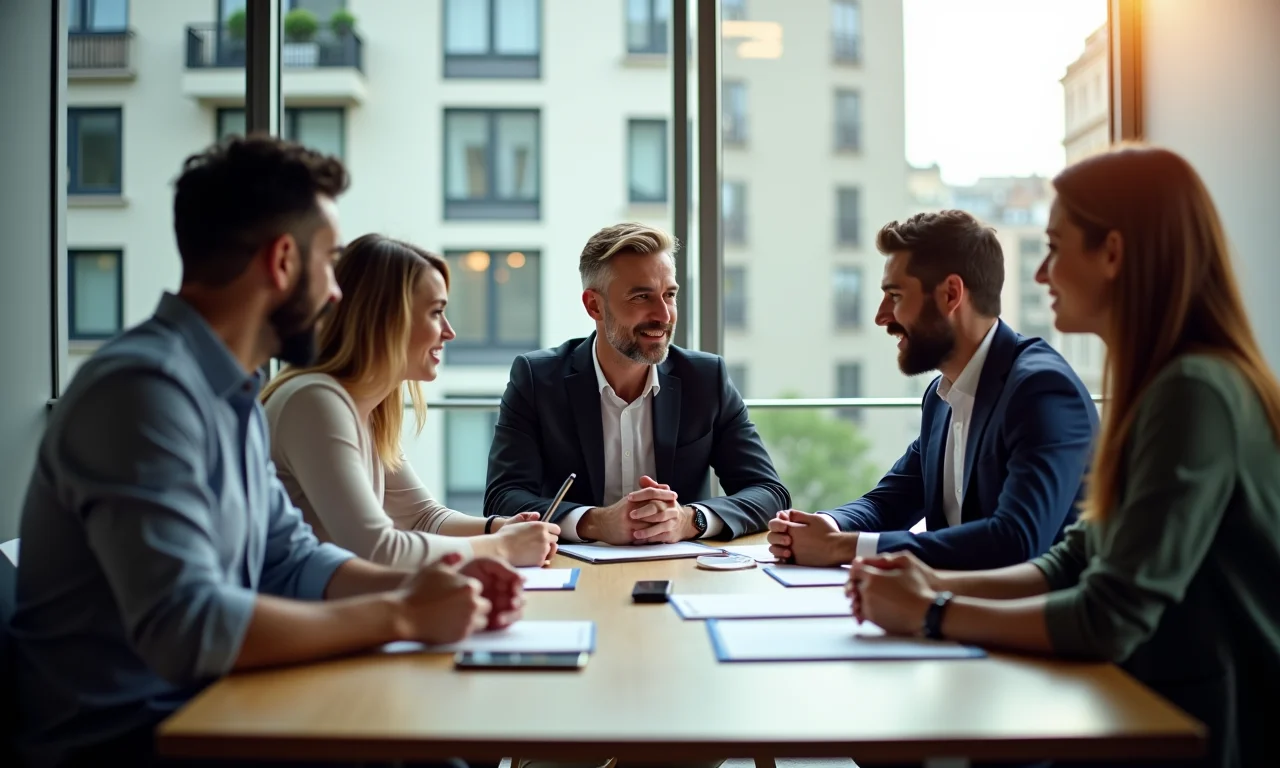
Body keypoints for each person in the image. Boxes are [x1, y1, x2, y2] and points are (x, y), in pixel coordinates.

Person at [10, 137, 520, 768]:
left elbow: (290, 559)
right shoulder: (142, 393)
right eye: (329, 263)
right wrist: (401, 614)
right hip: (134, 739)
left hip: (221, 707)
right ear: (282, 261)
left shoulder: (232, 394)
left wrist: (433, 583)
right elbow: (190, 626)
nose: (337, 294)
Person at [849, 146, 1280, 768]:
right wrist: (930, 582)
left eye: (1054, 247)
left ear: (1112, 253)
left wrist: (934, 611)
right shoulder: (1163, 385)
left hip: (1202, 729)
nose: (1041, 274)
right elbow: (1075, 557)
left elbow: (1108, 614)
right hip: (1145, 707)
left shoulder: (1193, 392)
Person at [767, 210, 1097, 570]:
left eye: (895, 296)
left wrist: (842, 547)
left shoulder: (1041, 390)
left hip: (1033, 606)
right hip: (951, 600)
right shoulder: (941, 397)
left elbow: (1016, 540)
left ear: (950, 294)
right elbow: (889, 502)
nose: (881, 316)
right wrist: (825, 526)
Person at [260, 234, 559, 569]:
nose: (449, 332)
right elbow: (379, 549)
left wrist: (498, 528)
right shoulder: (314, 403)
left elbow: (422, 517)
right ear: (385, 319)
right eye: (436, 312)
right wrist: (501, 547)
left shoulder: (367, 407)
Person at [484, 222, 789, 545]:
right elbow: (503, 498)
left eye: (669, 295)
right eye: (642, 297)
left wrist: (689, 520)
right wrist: (596, 522)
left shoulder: (705, 378)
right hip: (571, 567)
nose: (664, 315)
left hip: (681, 568)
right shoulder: (537, 379)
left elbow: (769, 492)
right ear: (594, 306)